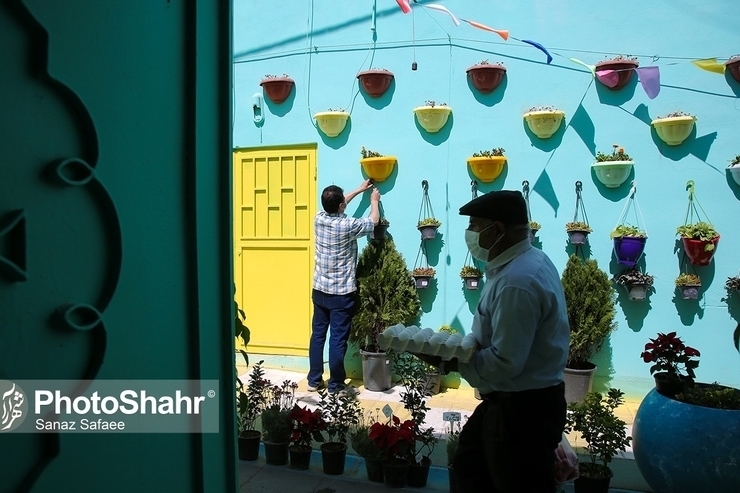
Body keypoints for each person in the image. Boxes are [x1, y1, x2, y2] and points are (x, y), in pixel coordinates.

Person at [415, 190, 570, 492]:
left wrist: (452, 361)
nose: (470, 234)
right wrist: (459, 348)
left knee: (516, 483)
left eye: (475, 226)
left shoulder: (518, 282)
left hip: (522, 409)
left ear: (497, 230)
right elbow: (493, 334)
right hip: (510, 402)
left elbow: (505, 362)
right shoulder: (522, 263)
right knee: (469, 467)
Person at [307, 179, 380, 394]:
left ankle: (313, 380)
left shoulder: (319, 218)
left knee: (318, 335)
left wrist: (358, 189)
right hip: (341, 294)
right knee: (338, 340)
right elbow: (373, 221)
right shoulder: (348, 226)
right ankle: (336, 385)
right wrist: (374, 201)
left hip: (320, 290)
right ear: (340, 206)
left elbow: (338, 205)